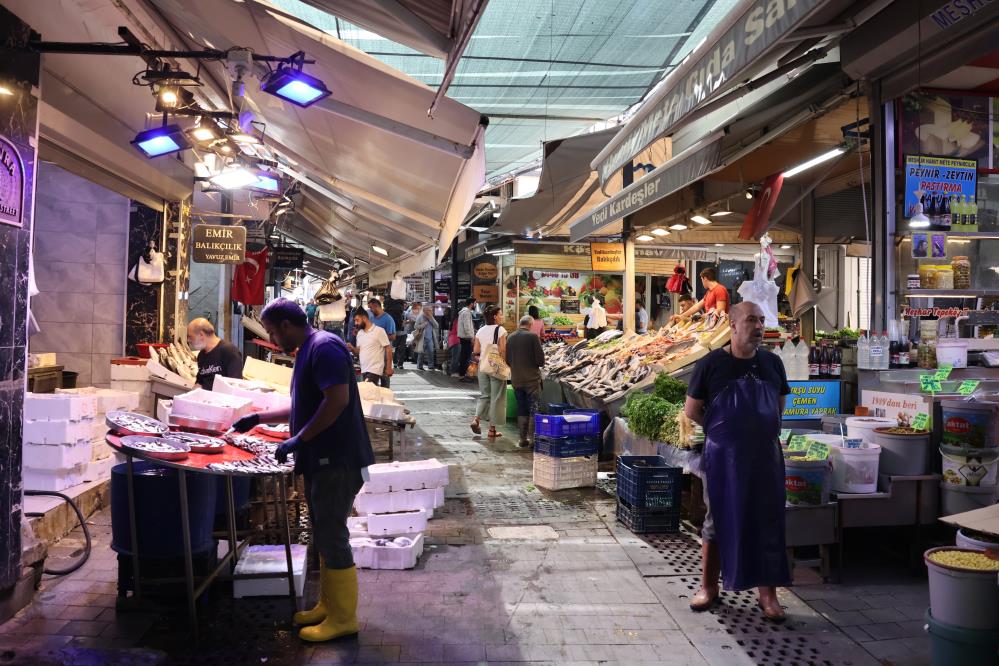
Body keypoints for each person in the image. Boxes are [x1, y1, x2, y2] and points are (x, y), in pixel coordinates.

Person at [231, 298, 373, 642]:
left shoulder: (324, 348)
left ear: (285, 326)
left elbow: (336, 401)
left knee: (333, 533)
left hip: (336, 460)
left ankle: (343, 618)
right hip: (321, 459)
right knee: (324, 531)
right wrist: (260, 417)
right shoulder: (309, 349)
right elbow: (307, 404)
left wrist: (298, 439)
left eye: (270, 331)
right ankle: (328, 603)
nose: (271, 338)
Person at [683, 301, 791, 622]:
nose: (758, 327)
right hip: (723, 461)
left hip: (765, 458)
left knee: (767, 520)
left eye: (761, 320)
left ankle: (767, 595)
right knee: (716, 520)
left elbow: (779, 404)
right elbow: (692, 410)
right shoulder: (711, 365)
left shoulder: (773, 364)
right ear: (732, 325)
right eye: (750, 320)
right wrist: (723, 433)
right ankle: (708, 588)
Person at [507, 315, 545, 447]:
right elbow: (540, 360)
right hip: (532, 381)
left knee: (522, 408)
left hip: (516, 380)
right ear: (530, 325)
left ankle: (522, 439)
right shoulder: (533, 337)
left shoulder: (510, 337)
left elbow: (507, 360)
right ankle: (534, 440)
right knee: (534, 408)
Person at [470, 306, 507, 439]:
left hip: (483, 365)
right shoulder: (500, 329)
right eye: (500, 314)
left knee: (485, 395)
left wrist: (483, 358)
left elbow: (476, 350)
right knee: (496, 397)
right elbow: (502, 350)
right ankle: (492, 430)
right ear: (495, 316)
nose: (502, 316)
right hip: (496, 365)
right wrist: (505, 364)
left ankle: (476, 419)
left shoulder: (480, 330)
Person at [186, 318, 242, 390]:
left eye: (190, 336)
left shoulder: (229, 351)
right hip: (205, 399)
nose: (188, 340)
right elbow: (200, 381)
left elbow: (235, 385)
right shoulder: (201, 356)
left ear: (201, 335)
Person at [349, 309, 393, 387]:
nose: (356, 323)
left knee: (367, 389)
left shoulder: (379, 331)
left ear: (364, 318)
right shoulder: (359, 333)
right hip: (364, 369)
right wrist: (352, 348)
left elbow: (388, 349)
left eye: (357, 320)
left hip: (375, 369)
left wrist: (389, 367)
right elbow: (358, 352)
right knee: (370, 395)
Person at [413, 303, 440, 371]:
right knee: (421, 352)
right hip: (422, 337)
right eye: (428, 310)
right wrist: (423, 325)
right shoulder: (420, 317)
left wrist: (431, 318)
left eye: (430, 310)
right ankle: (419, 366)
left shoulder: (431, 317)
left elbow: (437, 326)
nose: (430, 312)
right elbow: (415, 326)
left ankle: (430, 366)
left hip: (430, 338)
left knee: (431, 351)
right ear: (424, 310)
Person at [457, 298, 477, 378]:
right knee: (466, 356)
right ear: (471, 304)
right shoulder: (466, 313)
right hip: (466, 338)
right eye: (475, 303)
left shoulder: (464, 312)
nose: (475, 305)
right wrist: (471, 337)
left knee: (464, 356)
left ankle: (462, 374)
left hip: (464, 338)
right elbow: (467, 327)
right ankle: (462, 374)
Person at [399, 301, 421, 368]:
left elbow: (412, 319)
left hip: (415, 329)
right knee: (411, 344)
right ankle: (412, 357)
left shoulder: (416, 311)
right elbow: (411, 319)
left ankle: (414, 358)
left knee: (414, 344)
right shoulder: (409, 311)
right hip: (411, 330)